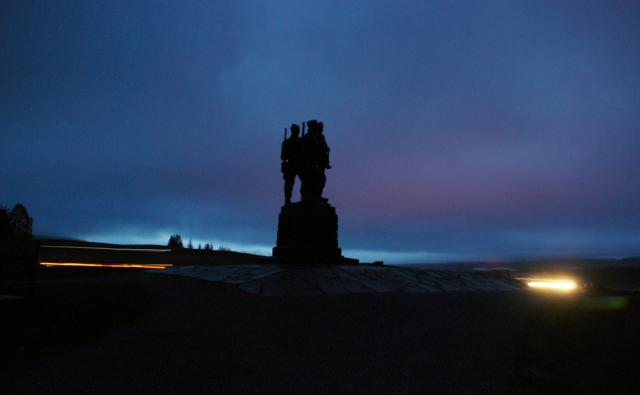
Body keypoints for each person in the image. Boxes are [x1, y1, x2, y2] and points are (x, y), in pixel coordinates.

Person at [300, 120, 331, 202]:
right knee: (308, 180)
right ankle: (307, 197)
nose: (317, 128)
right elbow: (304, 151)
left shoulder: (317, 137)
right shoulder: (307, 137)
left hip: (317, 162)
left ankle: (317, 196)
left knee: (320, 179)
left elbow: (323, 148)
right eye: (315, 127)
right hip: (309, 163)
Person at [281, 124, 301, 205]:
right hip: (294, 164)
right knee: (289, 183)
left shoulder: (287, 142)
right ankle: (287, 199)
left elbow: (282, 156)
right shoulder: (299, 141)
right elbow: (283, 157)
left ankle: (287, 199)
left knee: (289, 183)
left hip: (297, 164)